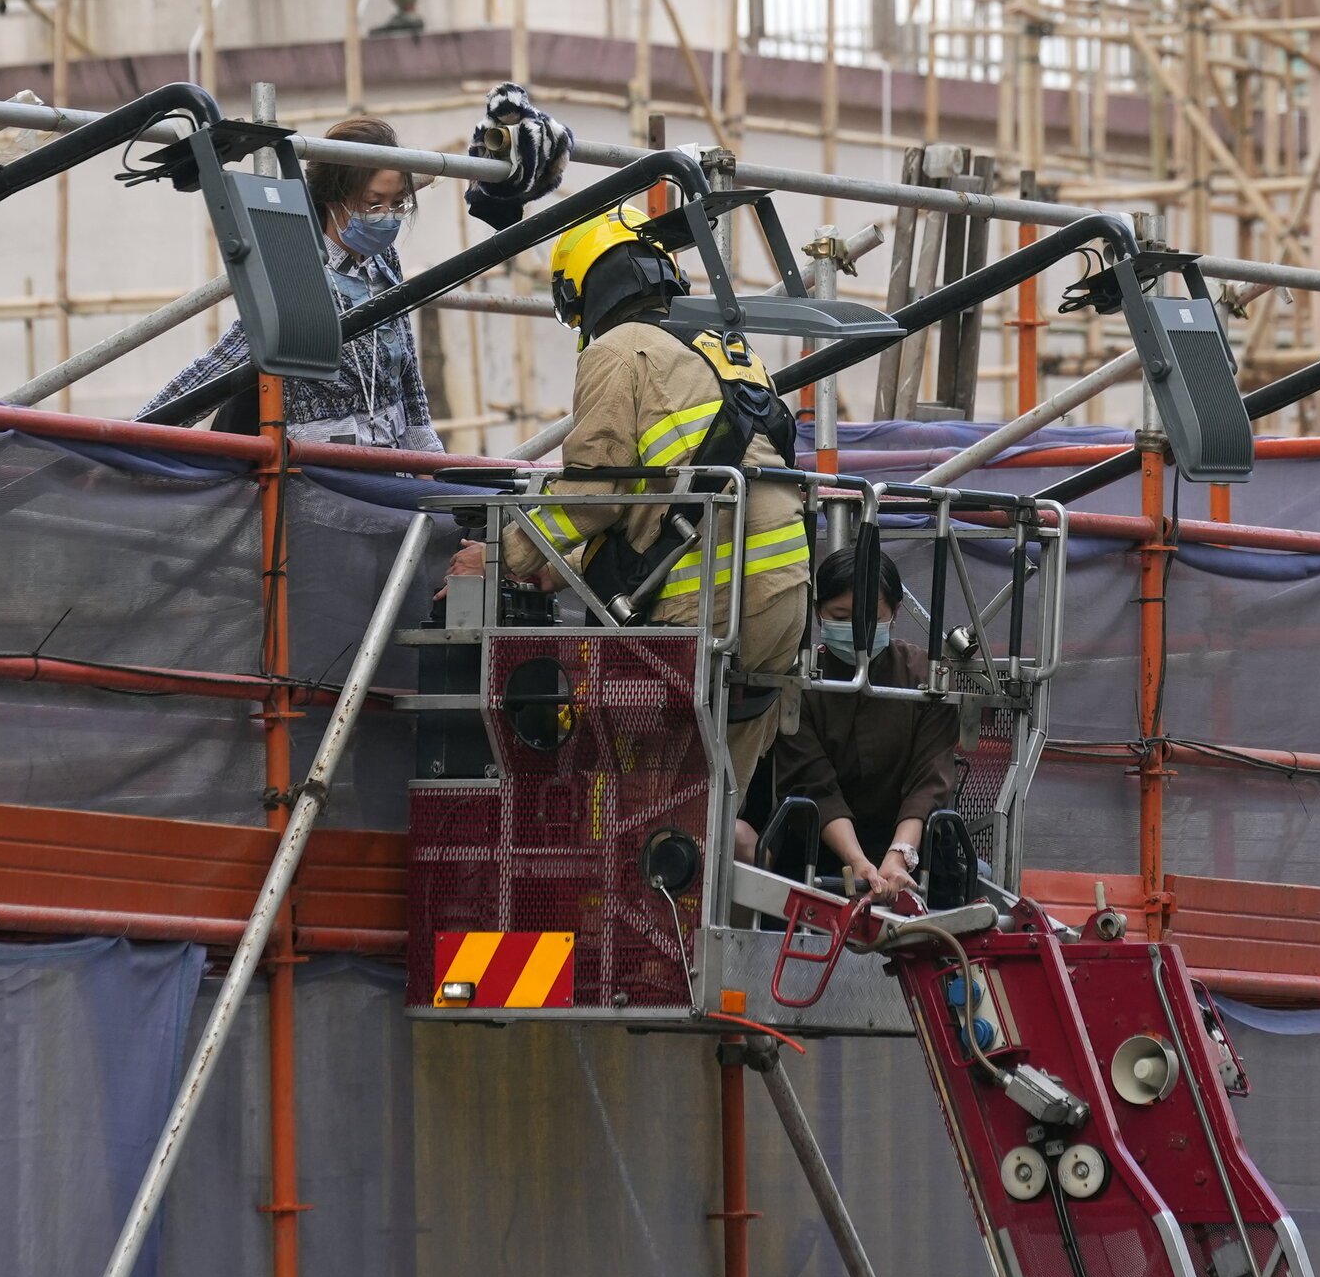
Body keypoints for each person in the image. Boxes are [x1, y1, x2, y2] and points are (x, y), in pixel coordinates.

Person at [456, 202, 811, 783]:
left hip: (706, 603)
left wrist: (501, 556)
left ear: (584, 289)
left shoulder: (617, 350)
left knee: (645, 802)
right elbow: (668, 498)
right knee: (716, 800)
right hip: (783, 597)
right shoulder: (728, 348)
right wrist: (562, 567)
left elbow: (596, 492)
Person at [142, 115, 442, 451]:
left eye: (398, 203)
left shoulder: (382, 261)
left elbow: (408, 376)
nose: (387, 215)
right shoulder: (298, 266)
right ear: (333, 198)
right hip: (319, 464)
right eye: (373, 204)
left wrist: (429, 456)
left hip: (392, 459)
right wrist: (132, 438)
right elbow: (222, 364)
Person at [745, 545, 961, 900]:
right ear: (818, 614)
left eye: (870, 618)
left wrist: (898, 857)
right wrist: (857, 861)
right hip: (820, 850)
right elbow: (813, 784)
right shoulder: (798, 684)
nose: (858, 631)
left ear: (895, 613)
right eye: (841, 617)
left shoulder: (927, 679)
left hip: (914, 848)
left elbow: (929, 781)